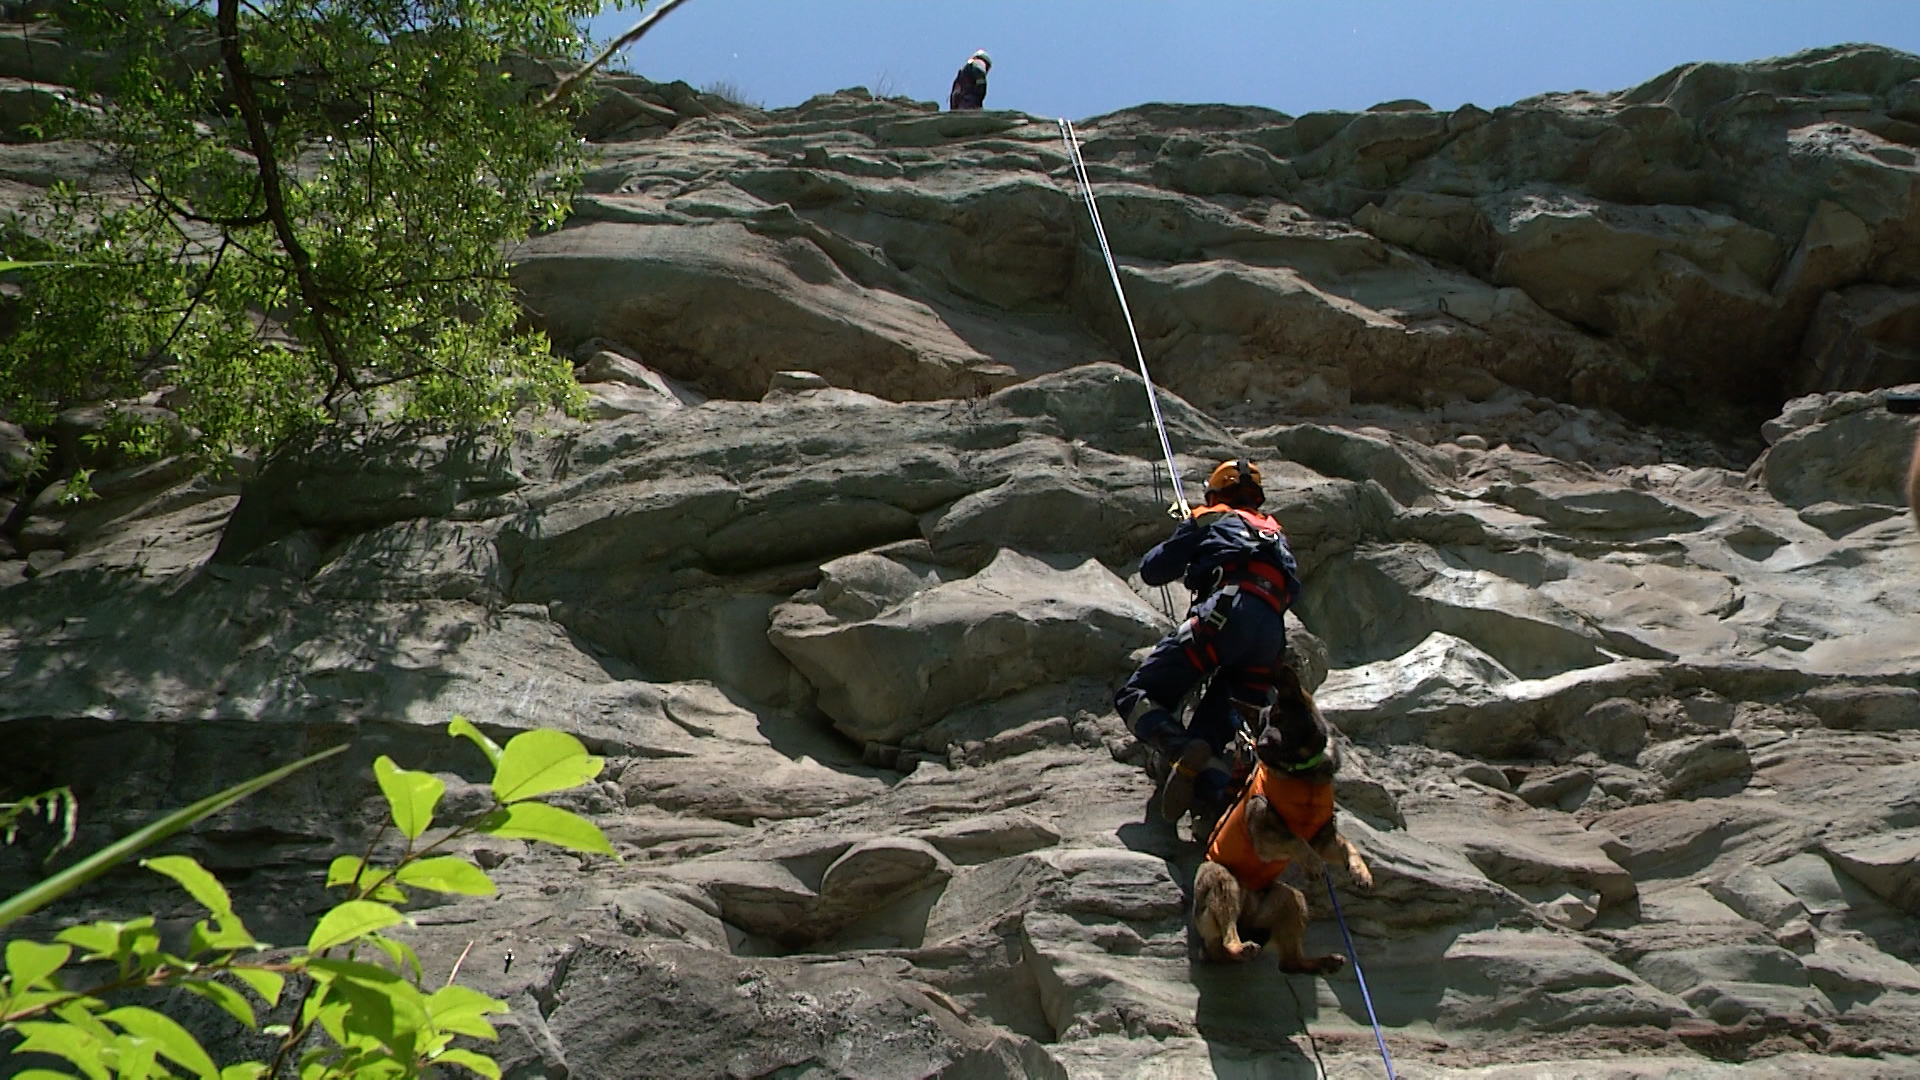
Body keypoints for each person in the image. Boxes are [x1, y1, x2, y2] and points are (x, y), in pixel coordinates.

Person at [1114, 459, 1302, 829]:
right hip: (1268, 641)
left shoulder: (1211, 517)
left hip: (1224, 617)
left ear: (1216, 493)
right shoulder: (1276, 534)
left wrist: (1188, 532)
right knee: (1213, 734)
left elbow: (1153, 570)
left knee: (1135, 695)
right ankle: (1214, 803)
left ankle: (1181, 750)